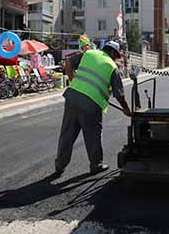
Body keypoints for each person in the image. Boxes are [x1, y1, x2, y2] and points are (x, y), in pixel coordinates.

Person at [54, 41, 132, 176]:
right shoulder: (111, 66)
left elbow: (68, 63)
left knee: (67, 133)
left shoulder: (88, 53)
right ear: (113, 52)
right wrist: (126, 109)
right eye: (116, 56)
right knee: (93, 136)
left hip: (72, 98)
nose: (116, 59)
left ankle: (60, 164)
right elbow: (119, 94)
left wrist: (72, 82)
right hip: (91, 104)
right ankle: (96, 164)